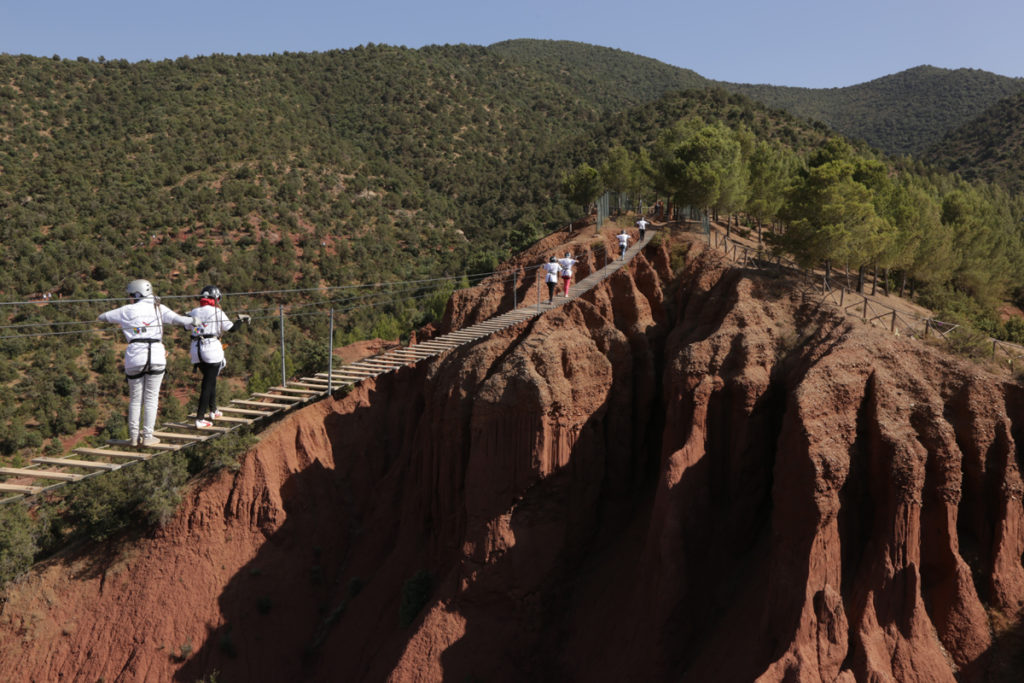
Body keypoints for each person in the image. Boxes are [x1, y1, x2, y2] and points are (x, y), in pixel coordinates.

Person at [97, 279, 193, 447]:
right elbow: (181, 320)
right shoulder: (158, 308)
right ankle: (148, 436)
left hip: (135, 356)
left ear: (136, 294)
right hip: (156, 354)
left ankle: (134, 437)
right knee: (151, 398)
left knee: (135, 399)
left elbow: (102, 317)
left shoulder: (126, 310)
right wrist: (194, 321)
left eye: (130, 295)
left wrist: (128, 322)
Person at [187, 285, 251, 429]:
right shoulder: (217, 312)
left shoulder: (194, 311)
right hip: (211, 349)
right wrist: (241, 320)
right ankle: (200, 418)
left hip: (196, 350)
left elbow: (187, 327)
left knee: (210, 380)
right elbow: (232, 329)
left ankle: (213, 410)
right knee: (207, 385)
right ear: (215, 298)